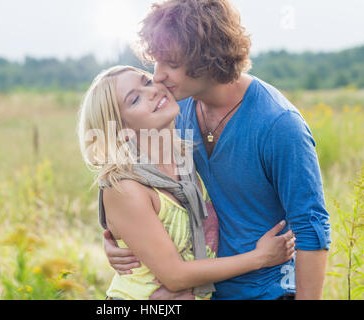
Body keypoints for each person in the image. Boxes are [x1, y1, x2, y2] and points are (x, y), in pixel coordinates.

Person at [103, 0, 331, 300]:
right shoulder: (174, 109)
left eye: (171, 64)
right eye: (156, 61)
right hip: (199, 291)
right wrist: (116, 240)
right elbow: (135, 183)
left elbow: (311, 228)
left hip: (266, 291)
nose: (158, 76)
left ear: (208, 59)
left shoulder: (279, 125)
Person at [78, 65, 295, 300]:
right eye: (134, 99)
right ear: (123, 130)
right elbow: (175, 276)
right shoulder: (126, 187)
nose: (151, 91)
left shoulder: (188, 158)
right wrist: (260, 258)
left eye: (147, 81)